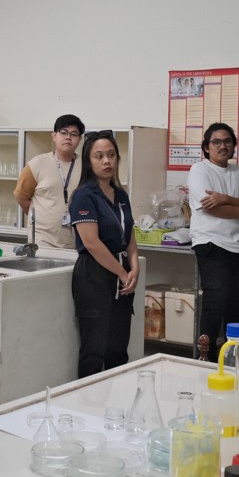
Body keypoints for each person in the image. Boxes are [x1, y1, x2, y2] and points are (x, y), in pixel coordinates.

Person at [68, 130, 140, 378]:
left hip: (122, 273)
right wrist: (122, 272)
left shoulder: (121, 195)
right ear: (89, 161)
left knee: (118, 348)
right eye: (99, 156)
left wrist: (134, 267)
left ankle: (116, 408)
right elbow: (91, 242)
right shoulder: (84, 196)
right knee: (95, 349)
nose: (107, 161)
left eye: (111, 155)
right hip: (95, 275)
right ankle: (87, 408)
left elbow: (128, 233)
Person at [188, 122, 239, 362]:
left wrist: (225, 198)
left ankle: (233, 359)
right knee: (215, 302)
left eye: (227, 141)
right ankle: (206, 358)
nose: (223, 146)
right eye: (216, 142)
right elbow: (215, 211)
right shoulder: (200, 170)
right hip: (211, 244)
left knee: (237, 304)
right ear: (206, 148)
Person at [13, 114, 85, 249]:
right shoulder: (37, 164)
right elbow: (21, 196)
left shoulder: (86, 167)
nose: (68, 137)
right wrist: (41, 216)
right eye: (63, 132)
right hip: (43, 240)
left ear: (80, 139)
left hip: (78, 241)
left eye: (74, 134)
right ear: (54, 135)